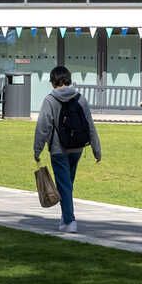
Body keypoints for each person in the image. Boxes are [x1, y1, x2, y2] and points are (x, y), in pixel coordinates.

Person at [31, 65, 102, 235]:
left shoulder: (50, 100)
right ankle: (65, 217)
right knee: (68, 183)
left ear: (53, 81)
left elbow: (43, 126)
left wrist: (37, 149)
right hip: (77, 147)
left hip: (58, 149)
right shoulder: (80, 98)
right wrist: (96, 149)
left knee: (64, 185)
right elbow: (89, 125)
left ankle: (70, 221)